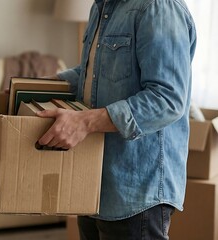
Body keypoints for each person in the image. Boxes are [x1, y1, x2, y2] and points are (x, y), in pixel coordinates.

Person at [37, 0, 196, 239]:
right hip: (94, 182)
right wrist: (40, 86)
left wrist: (83, 122)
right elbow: (94, 73)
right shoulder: (101, 6)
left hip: (138, 191)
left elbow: (167, 99)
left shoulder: (158, 7)